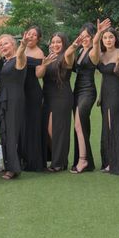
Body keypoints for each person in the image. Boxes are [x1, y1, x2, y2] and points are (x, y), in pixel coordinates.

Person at [91, 20, 119, 175]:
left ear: (115, 38)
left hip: (117, 93)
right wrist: (98, 33)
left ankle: (118, 162)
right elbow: (93, 59)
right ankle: (109, 161)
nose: (108, 40)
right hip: (106, 93)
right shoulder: (101, 55)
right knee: (107, 126)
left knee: (113, 125)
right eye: (105, 38)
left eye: (110, 37)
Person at [36, 32, 81, 172]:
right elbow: (38, 74)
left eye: (59, 42)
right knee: (48, 130)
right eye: (53, 42)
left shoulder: (66, 57)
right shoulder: (48, 57)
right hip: (47, 97)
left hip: (61, 97)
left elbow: (69, 56)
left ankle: (59, 163)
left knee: (57, 130)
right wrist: (44, 64)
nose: (55, 44)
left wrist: (73, 47)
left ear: (64, 44)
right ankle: (57, 160)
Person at [0, 33, 28, 180]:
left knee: (12, 132)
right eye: (0, 44)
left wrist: (23, 46)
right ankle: (8, 164)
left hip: (14, 100)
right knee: (4, 132)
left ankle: (14, 168)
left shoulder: (18, 59)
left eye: (6, 43)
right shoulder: (4, 61)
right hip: (2, 99)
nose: (3, 46)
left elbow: (20, 55)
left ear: (13, 45)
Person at [70, 23, 97, 173]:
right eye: (83, 36)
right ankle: (87, 160)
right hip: (77, 90)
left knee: (78, 125)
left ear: (93, 36)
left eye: (88, 36)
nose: (85, 39)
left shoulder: (94, 51)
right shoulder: (80, 50)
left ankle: (83, 160)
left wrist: (98, 35)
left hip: (88, 91)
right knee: (81, 126)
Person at [21, 26, 45, 171]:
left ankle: (33, 161)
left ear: (38, 39)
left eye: (34, 35)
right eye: (29, 33)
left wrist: (44, 66)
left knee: (32, 125)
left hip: (33, 92)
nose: (30, 36)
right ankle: (22, 157)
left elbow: (39, 75)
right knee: (22, 125)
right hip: (19, 91)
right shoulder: (20, 48)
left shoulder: (39, 53)